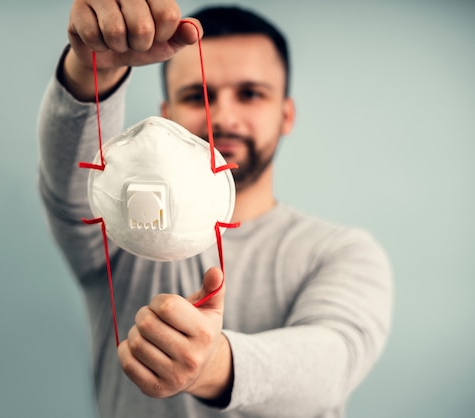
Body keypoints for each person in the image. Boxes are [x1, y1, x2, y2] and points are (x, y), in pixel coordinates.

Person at [37, 2, 393, 417]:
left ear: (286, 115)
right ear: (166, 116)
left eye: (250, 94)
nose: (222, 116)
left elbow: (334, 364)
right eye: (197, 96)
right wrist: (93, 68)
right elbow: (69, 187)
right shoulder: (123, 231)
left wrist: (213, 366)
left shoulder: (340, 252)